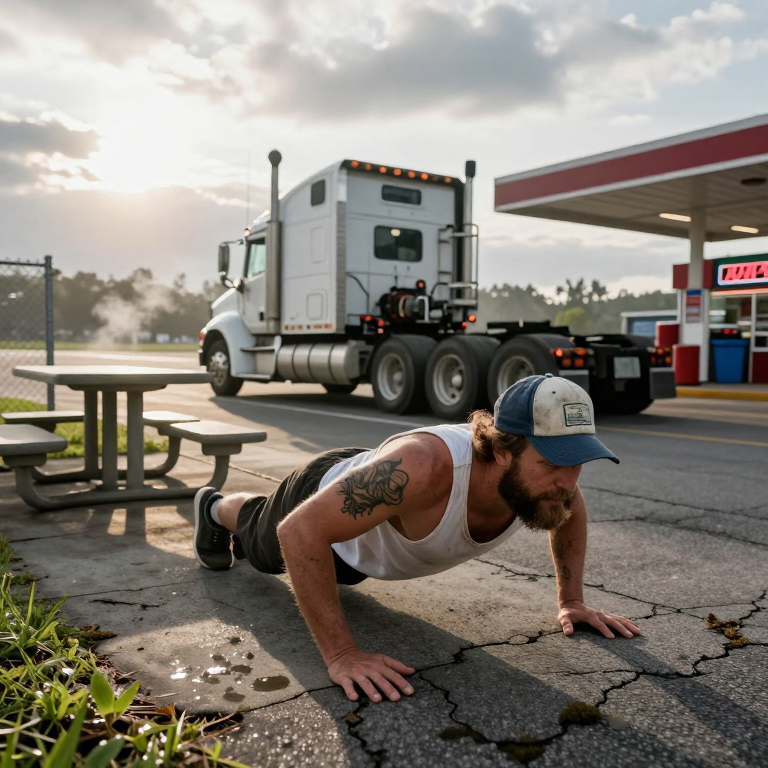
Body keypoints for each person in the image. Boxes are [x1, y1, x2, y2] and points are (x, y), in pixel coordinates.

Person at [192, 374, 641, 704]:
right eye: (553, 463)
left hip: (364, 549)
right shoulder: (427, 466)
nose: (569, 481)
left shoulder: (550, 483)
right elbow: (300, 530)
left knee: (334, 577)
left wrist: (572, 601)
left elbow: (570, 512)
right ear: (503, 449)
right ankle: (213, 506)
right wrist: (343, 654)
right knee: (258, 537)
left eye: (577, 462)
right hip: (323, 498)